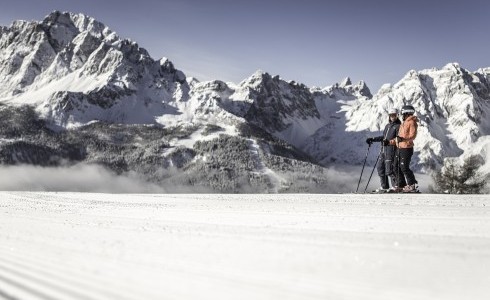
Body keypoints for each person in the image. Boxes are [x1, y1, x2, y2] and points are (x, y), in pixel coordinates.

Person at [366, 108, 406, 192]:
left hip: (391, 151)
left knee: (389, 171)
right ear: (389, 116)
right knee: (380, 168)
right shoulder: (388, 126)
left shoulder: (398, 126)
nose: (392, 117)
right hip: (383, 150)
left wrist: (388, 142)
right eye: (391, 115)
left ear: (397, 116)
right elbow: (384, 138)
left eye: (394, 115)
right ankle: (384, 187)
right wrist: (372, 139)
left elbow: (399, 139)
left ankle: (396, 187)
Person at [387, 105, 418, 192]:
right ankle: (401, 184)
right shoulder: (403, 123)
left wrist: (402, 139)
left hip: (407, 149)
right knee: (396, 166)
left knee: (404, 167)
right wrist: (389, 142)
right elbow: (399, 137)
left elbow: (413, 136)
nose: (401, 115)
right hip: (399, 148)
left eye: (402, 113)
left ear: (406, 113)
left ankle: (412, 185)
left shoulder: (412, 122)